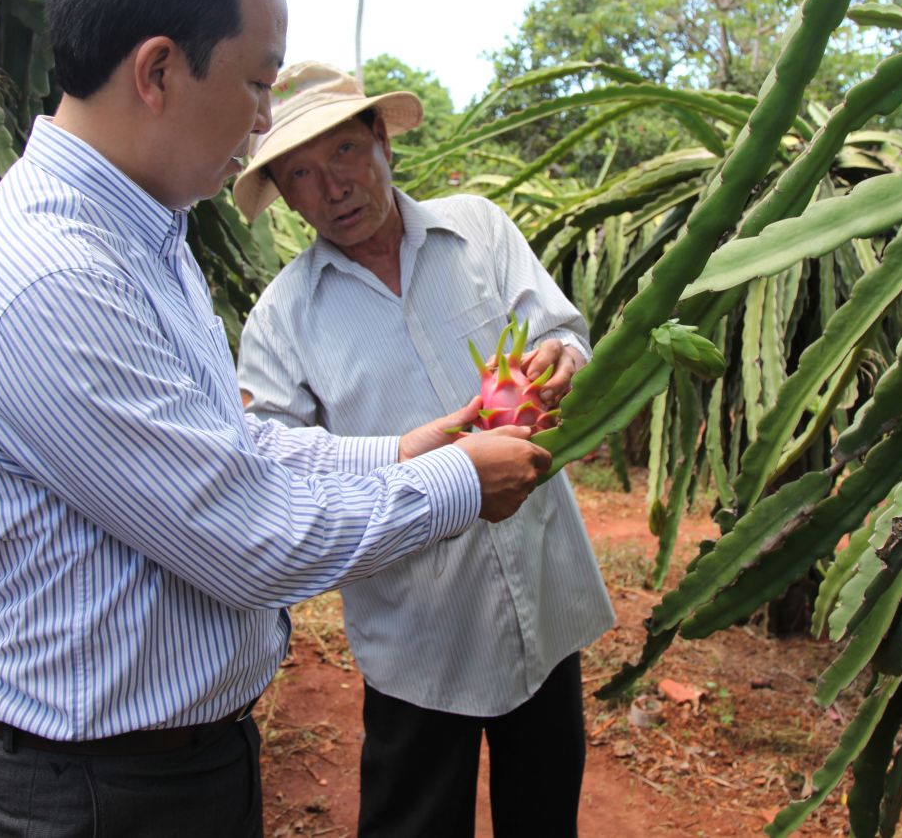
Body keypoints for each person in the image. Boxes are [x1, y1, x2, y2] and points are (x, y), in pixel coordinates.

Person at [0, 0, 554, 838]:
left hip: (161, 768)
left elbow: (232, 447)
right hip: (95, 797)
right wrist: (457, 481)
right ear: (160, 71)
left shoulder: (142, 240)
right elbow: (246, 533)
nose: (261, 125)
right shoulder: (53, 279)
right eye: (256, 85)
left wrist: (404, 451)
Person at [235, 62, 616, 838]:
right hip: (421, 637)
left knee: (544, 821)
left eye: (343, 152)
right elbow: (274, 467)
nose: (331, 188)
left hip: (539, 599)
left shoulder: (478, 228)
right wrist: (413, 460)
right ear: (282, 190)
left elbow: (560, 329)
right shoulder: (281, 322)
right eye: (300, 173)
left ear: (380, 138)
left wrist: (562, 359)